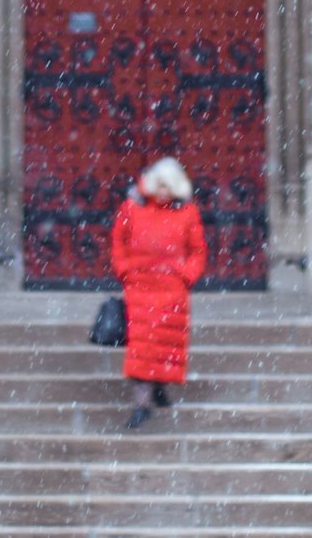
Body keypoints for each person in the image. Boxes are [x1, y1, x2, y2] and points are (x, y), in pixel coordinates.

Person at [109, 156, 207, 428]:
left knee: (163, 341)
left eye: (168, 186)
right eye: (159, 185)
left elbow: (197, 250)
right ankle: (142, 403)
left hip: (170, 288)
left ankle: (159, 388)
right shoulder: (133, 208)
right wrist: (125, 270)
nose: (162, 191)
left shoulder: (186, 212)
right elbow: (119, 240)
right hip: (140, 286)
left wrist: (185, 275)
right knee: (143, 346)